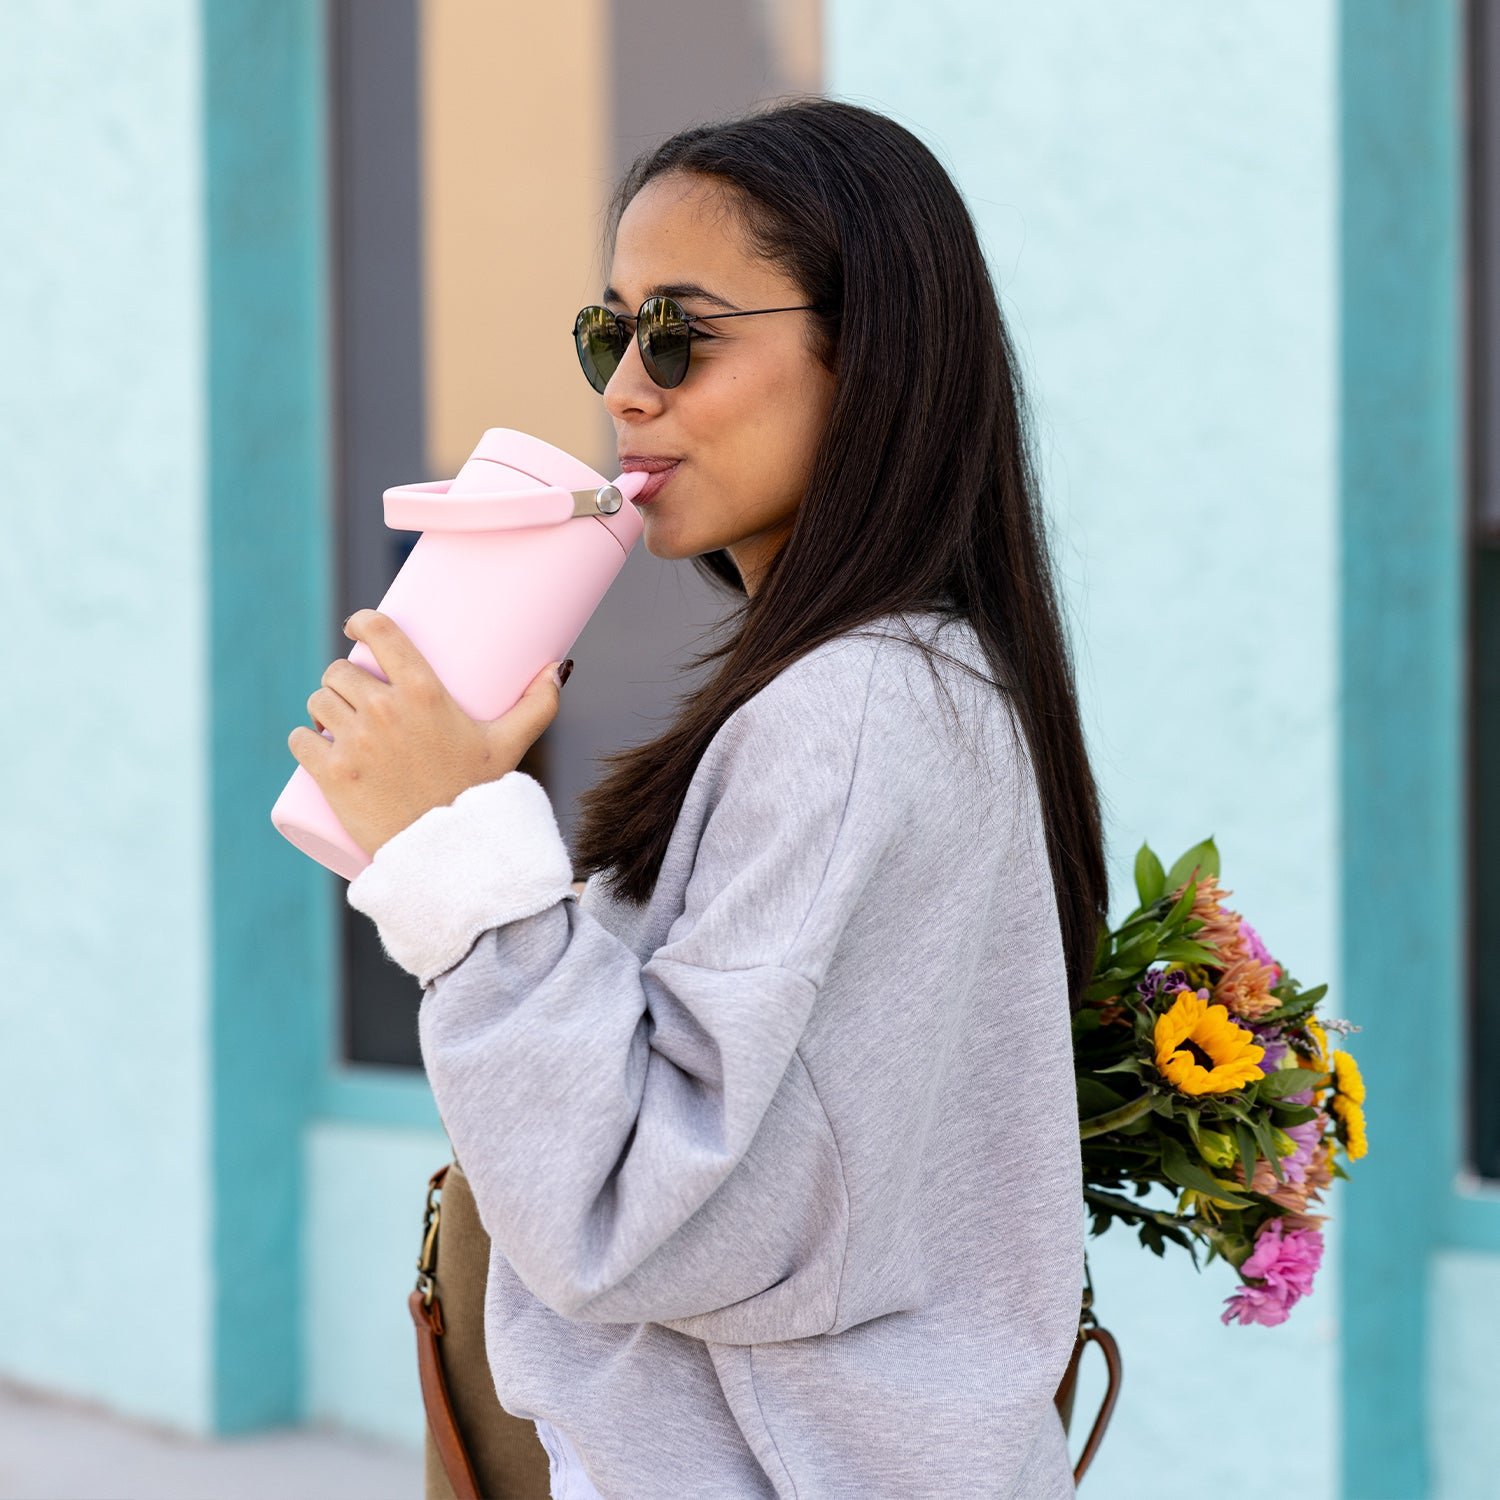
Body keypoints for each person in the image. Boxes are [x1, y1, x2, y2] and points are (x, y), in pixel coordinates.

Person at [333, 96, 1108, 1499]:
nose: (627, 388)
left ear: (865, 356)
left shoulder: (853, 710)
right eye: (609, 333)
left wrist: (458, 850)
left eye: (679, 334)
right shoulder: (906, 684)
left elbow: (643, 1212)